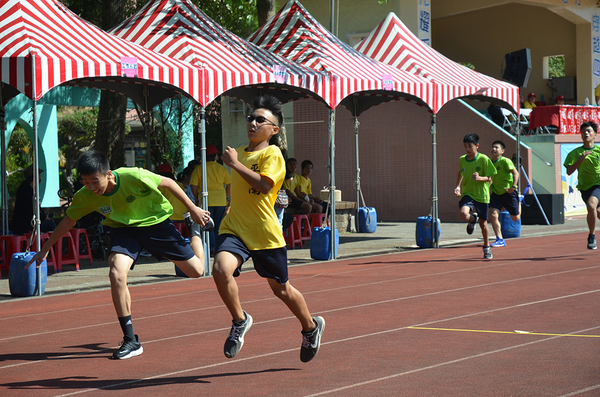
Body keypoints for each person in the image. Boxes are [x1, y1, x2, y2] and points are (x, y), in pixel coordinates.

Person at [26, 150, 213, 360]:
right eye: (85, 182)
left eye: (95, 181)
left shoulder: (133, 176)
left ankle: (194, 232)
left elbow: (168, 183)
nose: (91, 187)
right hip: (123, 229)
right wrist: (45, 248)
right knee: (116, 273)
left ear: (109, 175)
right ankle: (131, 339)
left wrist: (193, 208)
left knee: (197, 271)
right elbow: (68, 221)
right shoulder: (86, 196)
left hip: (155, 223)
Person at [212, 95, 324, 363]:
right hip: (236, 228)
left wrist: (235, 164)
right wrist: (229, 204)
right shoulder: (238, 152)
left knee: (281, 289)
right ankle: (240, 320)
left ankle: (310, 327)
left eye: (260, 119)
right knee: (219, 269)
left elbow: (264, 186)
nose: (252, 122)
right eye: (250, 117)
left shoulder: (273, 154)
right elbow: (239, 190)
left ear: (274, 129)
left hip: (264, 232)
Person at [454, 133, 497, 259]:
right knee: (463, 214)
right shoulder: (462, 159)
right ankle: (472, 219)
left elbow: (491, 177)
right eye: (465, 146)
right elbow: (460, 172)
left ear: (477, 146)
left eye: (470, 146)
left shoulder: (483, 159)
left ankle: (486, 246)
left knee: (483, 224)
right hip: (468, 193)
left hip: (482, 196)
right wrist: (457, 186)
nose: (467, 149)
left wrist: (480, 178)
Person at [564, 121, 600, 249]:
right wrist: (580, 160)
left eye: (589, 131)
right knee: (596, 211)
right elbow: (568, 171)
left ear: (595, 134)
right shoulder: (575, 153)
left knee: (591, 206)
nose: (586, 133)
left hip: (599, 185)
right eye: (583, 131)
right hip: (585, 187)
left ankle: (591, 236)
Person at [190, 144, 231, 255]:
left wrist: (197, 198)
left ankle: (212, 248)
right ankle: (218, 247)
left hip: (206, 199)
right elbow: (229, 184)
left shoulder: (199, 168)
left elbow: (193, 185)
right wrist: (226, 197)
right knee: (218, 225)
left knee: (208, 225)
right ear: (215, 156)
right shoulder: (222, 168)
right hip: (221, 200)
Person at [488, 140, 521, 248]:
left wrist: (513, 187)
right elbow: (490, 178)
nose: (494, 149)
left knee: (515, 218)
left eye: (496, 147)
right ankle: (499, 239)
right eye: (493, 147)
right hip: (496, 194)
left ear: (502, 151)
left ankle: (519, 201)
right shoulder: (489, 163)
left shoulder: (505, 161)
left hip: (508, 192)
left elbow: (516, 173)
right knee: (493, 214)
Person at [10, 165, 57, 235]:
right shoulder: (26, 190)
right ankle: (51, 245)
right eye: (39, 174)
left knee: (50, 217)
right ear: (35, 176)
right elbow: (31, 209)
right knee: (51, 225)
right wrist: (43, 217)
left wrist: (45, 216)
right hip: (25, 224)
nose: (41, 177)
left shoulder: (28, 188)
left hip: (28, 221)